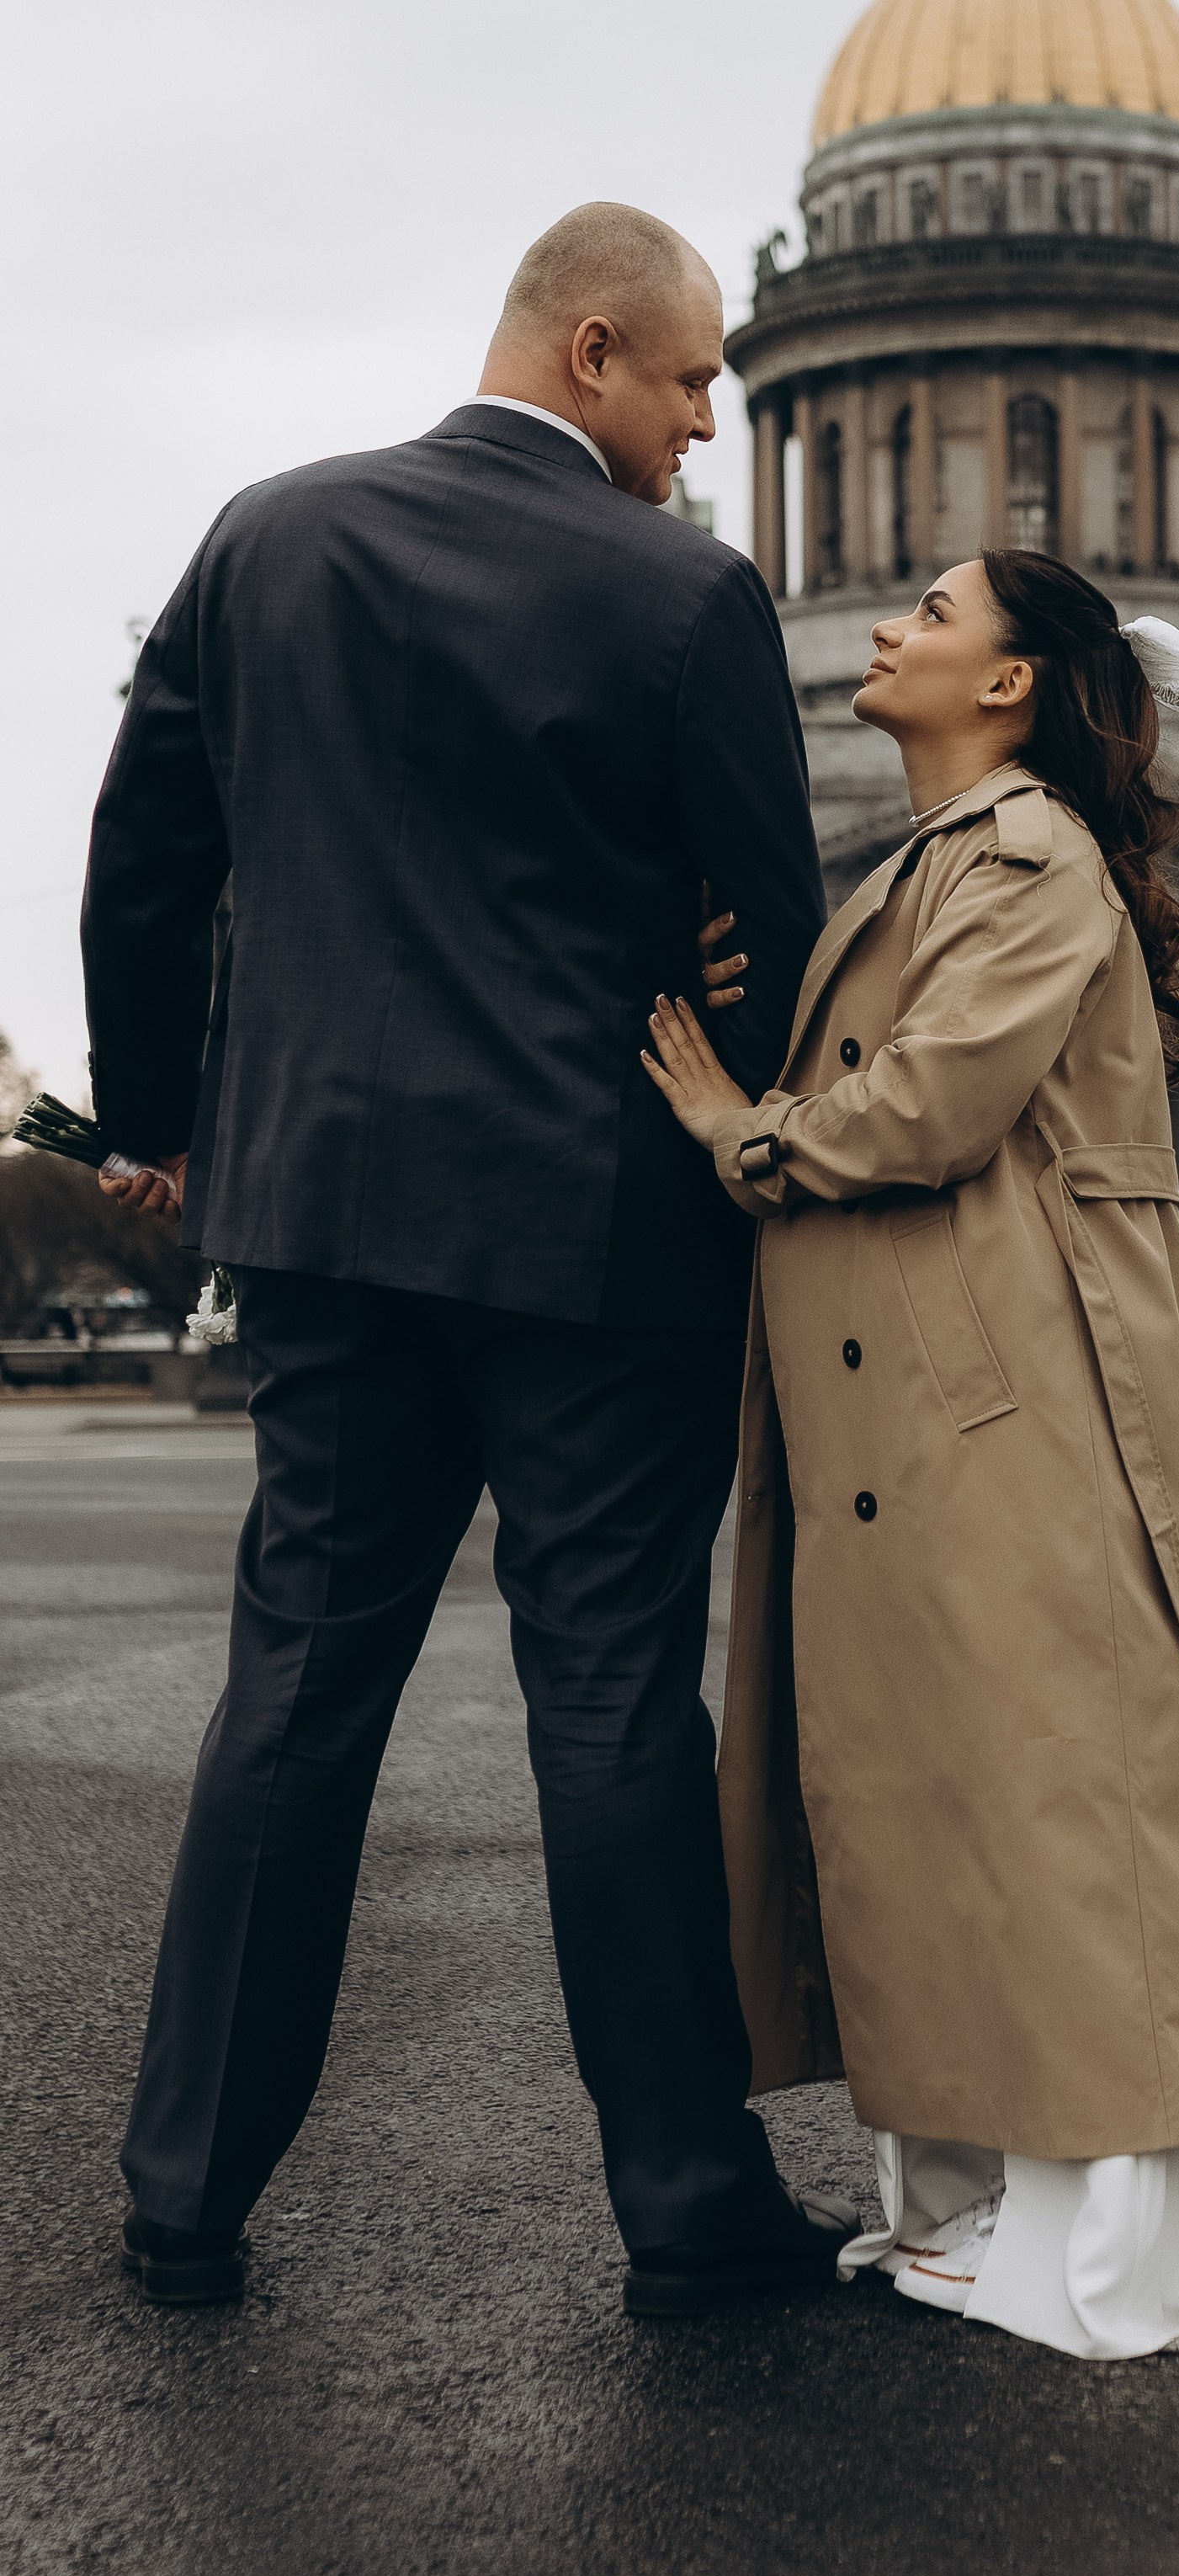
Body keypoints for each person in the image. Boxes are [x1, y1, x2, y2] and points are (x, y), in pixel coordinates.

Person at [82, 202, 858, 2313]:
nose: (714, 419)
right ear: (592, 351)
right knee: (612, 1711)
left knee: (299, 1693)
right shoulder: (684, 593)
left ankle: (185, 2190)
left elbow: (144, 859)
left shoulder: (268, 538)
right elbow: (779, 934)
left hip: (331, 1225)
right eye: (695, 378)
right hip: (604, 1236)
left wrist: (162, 1115)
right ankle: (691, 2214)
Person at [641, 549, 1179, 2360]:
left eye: (930, 611)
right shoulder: (942, 853)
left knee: (1052, 1794)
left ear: (1007, 684)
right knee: (939, 1800)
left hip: (990, 1406)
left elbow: (930, 1106)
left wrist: (736, 1130)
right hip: (916, 1404)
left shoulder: (1024, 852)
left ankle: (1093, 2212)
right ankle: (988, 2197)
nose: (887, 628)